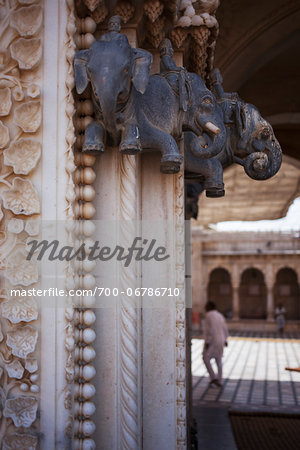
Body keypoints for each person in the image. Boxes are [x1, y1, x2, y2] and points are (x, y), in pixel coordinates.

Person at [203, 301, 228, 387]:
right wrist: (225, 339)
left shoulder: (209, 315)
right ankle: (219, 379)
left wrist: (207, 341)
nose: (205, 307)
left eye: (206, 306)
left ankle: (213, 377)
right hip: (221, 340)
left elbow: (208, 330)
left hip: (213, 340)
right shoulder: (219, 315)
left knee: (205, 358)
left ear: (210, 306)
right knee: (218, 360)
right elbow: (225, 328)